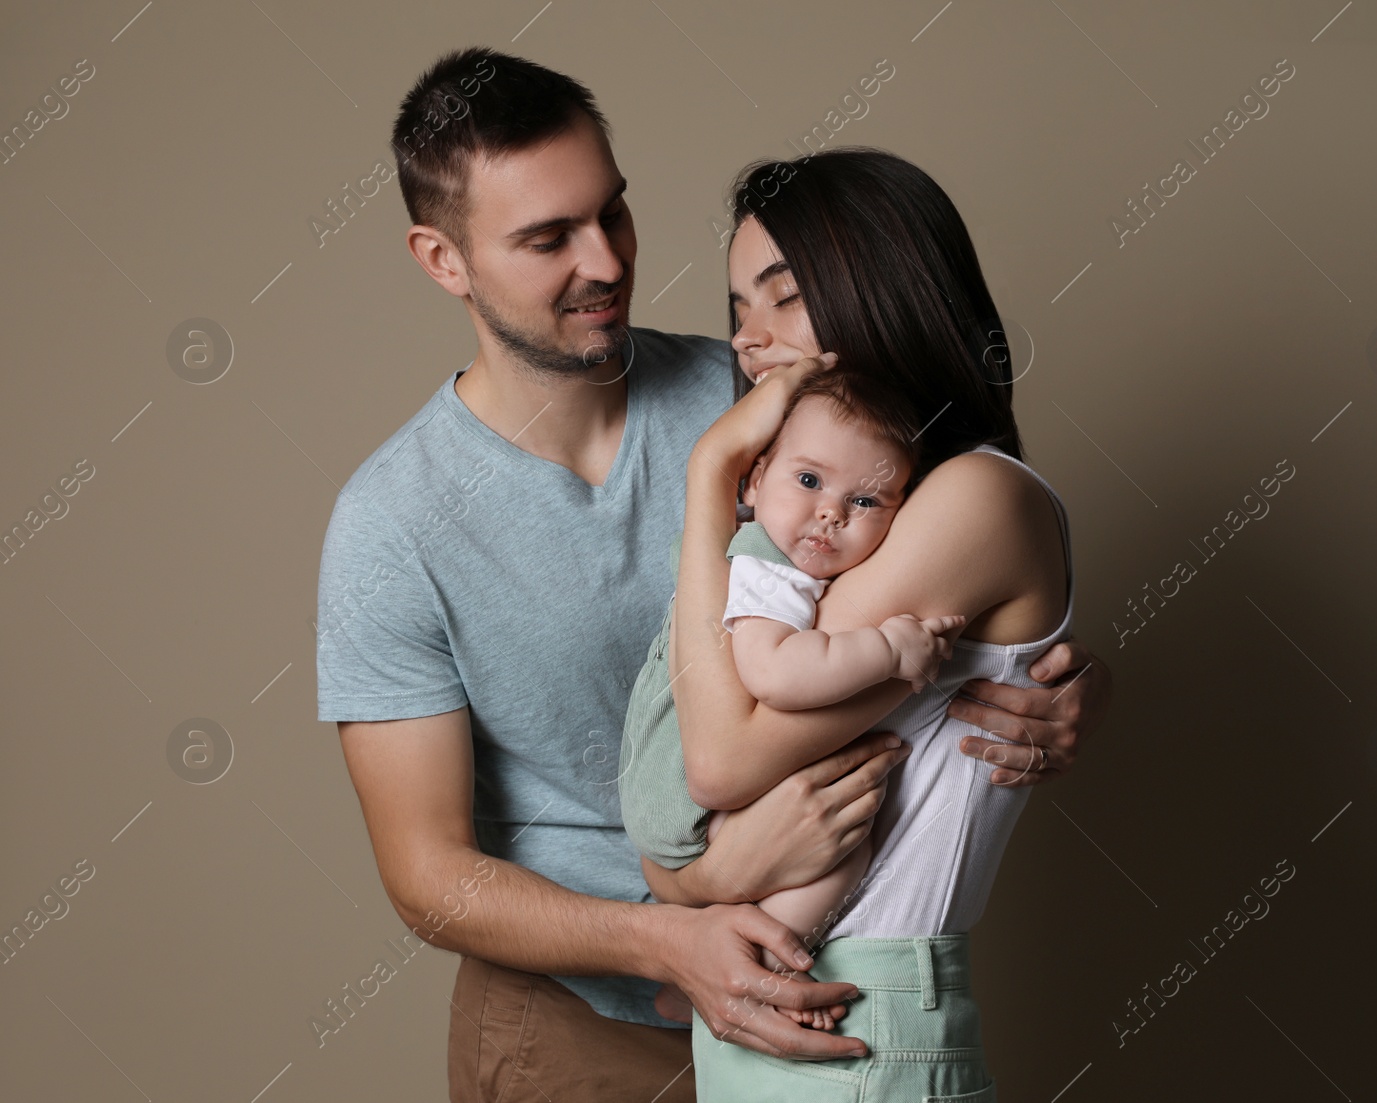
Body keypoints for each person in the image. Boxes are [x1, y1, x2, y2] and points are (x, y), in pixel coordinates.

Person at [316, 46, 1111, 1103]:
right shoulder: (392, 522)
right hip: (579, 1023)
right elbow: (426, 876)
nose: (602, 260)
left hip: (823, 983)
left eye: (614, 213)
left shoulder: (778, 400)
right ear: (442, 257)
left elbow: (971, 573)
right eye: (547, 238)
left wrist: (1061, 689)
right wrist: (667, 935)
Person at [638, 148, 1082, 1099]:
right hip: (768, 1003)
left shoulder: (970, 496)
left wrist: (710, 476)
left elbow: (717, 757)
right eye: (737, 311)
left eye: (784, 295)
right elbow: (692, 792)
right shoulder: (834, 526)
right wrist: (688, 882)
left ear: (883, 288)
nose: (751, 340)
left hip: (857, 1018)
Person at [618, 368, 966, 1031]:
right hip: (681, 794)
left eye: (867, 502)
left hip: (674, 799)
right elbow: (776, 671)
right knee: (848, 851)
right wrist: (890, 649)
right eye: (808, 481)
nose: (831, 511)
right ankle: (757, 972)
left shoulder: (775, 559)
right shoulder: (764, 568)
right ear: (754, 482)